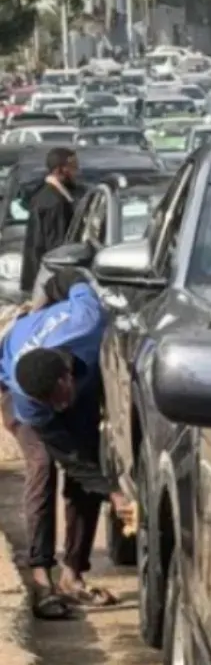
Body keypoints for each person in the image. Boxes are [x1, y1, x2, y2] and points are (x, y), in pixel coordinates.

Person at [0, 264, 127, 617]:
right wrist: (113, 492)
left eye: (58, 400)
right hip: (10, 382)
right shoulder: (30, 396)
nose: (57, 408)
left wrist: (41, 304)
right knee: (42, 465)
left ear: (65, 376)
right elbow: (66, 453)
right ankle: (42, 577)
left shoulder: (86, 321)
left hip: (78, 379)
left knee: (86, 472)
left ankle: (73, 575)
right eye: (49, 405)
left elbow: (67, 276)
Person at [20, 147, 80, 297]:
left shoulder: (47, 195)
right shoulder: (54, 202)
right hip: (49, 285)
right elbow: (56, 250)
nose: (77, 172)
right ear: (59, 170)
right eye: (73, 167)